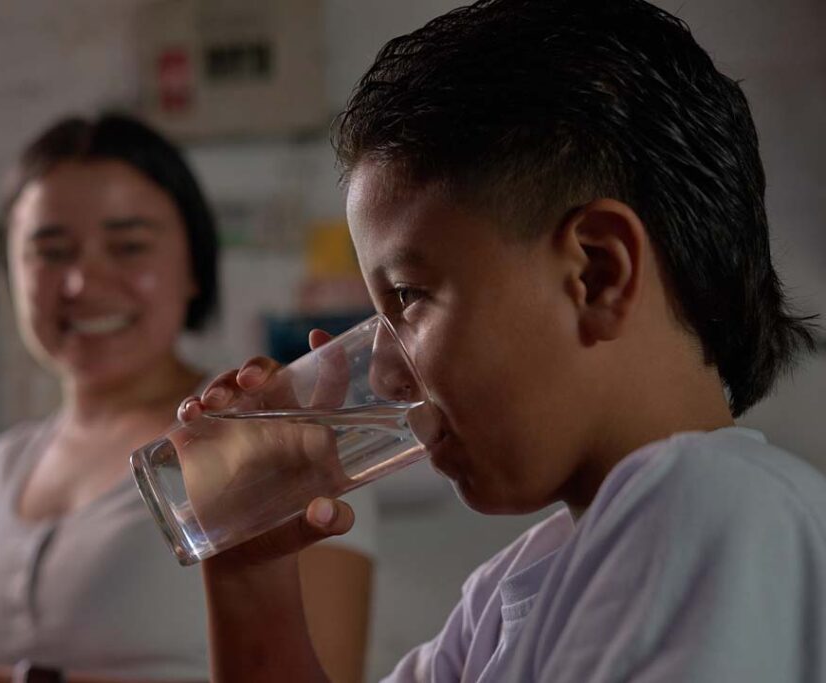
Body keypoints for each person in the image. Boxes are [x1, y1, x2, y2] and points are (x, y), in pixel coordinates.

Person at [187, 1, 826, 681]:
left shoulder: (716, 509)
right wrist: (249, 569)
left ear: (597, 273)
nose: (386, 374)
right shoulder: (506, 595)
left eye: (408, 297)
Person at [0, 114, 376, 682]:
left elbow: (321, 674)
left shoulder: (276, 440)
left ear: (194, 268)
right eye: (51, 252)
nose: (82, 283)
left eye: (129, 246)